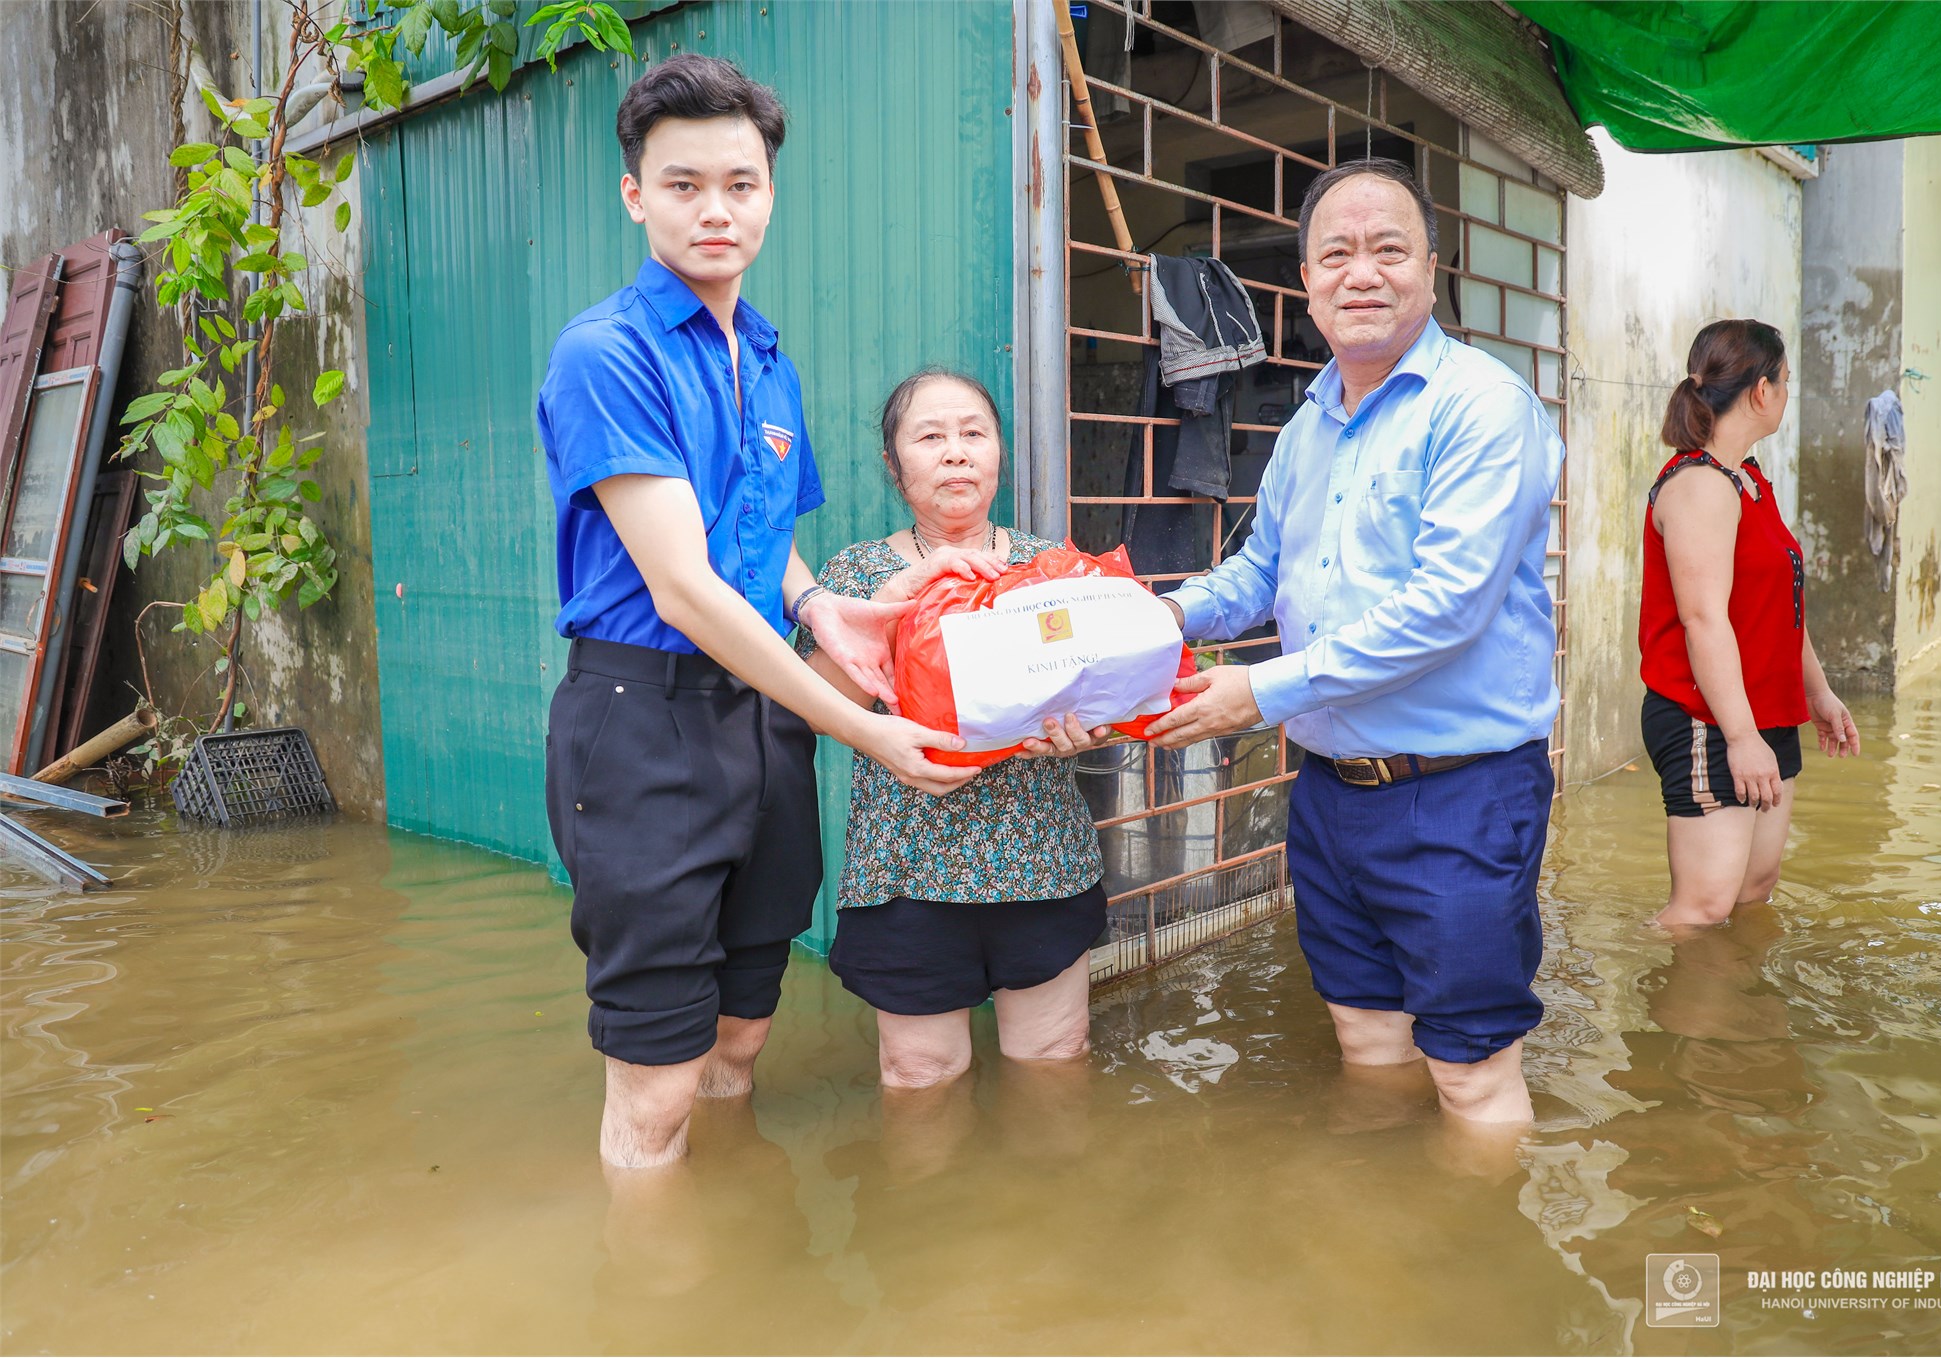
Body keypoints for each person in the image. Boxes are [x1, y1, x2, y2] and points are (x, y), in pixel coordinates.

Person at [536, 56, 977, 1171]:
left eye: (740, 182)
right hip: (640, 720)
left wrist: (822, 606)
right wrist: (861, 727)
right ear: (635, 194)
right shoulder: (608, 353)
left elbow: (756, 532)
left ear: (770, 193)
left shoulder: (766, 357)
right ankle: (649, 1299)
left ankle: (728, 1246)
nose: (715, 209)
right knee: (657, 1079)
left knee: (743, 1026)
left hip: (757, 715)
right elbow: (682, 584)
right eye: (682, 184)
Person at [1145, 158, 1564, 1125]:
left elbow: (1444, 606)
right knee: (1367, 1042)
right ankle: (1378, 1244)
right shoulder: (1308, 422)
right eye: (1335, 253)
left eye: (1387, 249)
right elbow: (1259, 574)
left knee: (1470, 1065)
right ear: (1306, 282)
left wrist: (1257, 691)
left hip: (1459, 790)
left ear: (1431, 265)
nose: (1360, 273)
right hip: (1331, 794)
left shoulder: (1484, 408)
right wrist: (1160, 617)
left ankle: (1479, 1262)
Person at [797, 368, 1113, 1088]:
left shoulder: (1049, 568)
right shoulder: (858, 572)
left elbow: (1104, 701)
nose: (956, 452)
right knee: (918, 1076)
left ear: (998, 452)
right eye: (930, 436)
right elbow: (811, 705)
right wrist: (882, 610)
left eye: (974, 433)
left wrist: (1091, 732)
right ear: (893, 463)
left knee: (1055, 1065)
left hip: (1040, 860)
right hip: (906, 872)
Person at [1638, 320, 1859, 931]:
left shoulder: (1749, 479)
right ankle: (1642, 1015)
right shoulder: (1699, 486)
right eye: (1785, 382)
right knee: (1701, 908)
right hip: (1708, 717)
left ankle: (1733, 1022)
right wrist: (1739, 737)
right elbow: (1704, 620)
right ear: (1761, 391)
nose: (1786, 395)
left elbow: (1780, 602)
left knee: (1753, 888)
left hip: (1765, 710)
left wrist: (1816, 691)